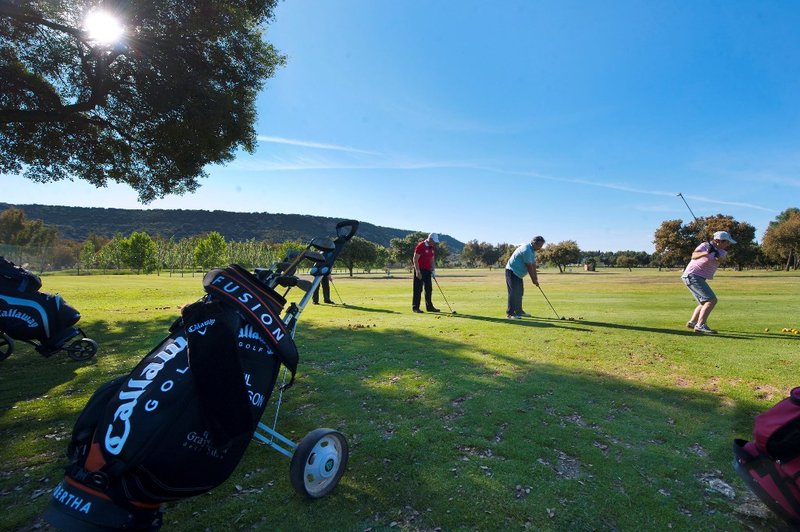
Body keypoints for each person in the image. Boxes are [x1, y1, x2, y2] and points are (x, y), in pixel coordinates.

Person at [681, 230, 736, 334]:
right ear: (719, 241)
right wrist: (706, 252)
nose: (728, 244)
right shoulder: (705, 245)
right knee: (711, 300)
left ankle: (693, 322)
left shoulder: (722, 251)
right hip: (693, 275)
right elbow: (694, 256)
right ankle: (700, 325)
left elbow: (721, 260)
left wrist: (715, 253)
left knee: (704, 302)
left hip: (698, 277)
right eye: (727, 242)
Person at [505, 236, 545, 319]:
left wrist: (536, 278)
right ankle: (510, 313)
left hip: (518, 274)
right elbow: (529, 266)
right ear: (534, 243)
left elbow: (533, 265)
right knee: (513, 292)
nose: (540, 248)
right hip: (512, 271)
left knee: (519, 292)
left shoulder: (532, 250)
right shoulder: (526, 250)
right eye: (539, 246)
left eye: (541, 246)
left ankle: (519, 311)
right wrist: (533, 280)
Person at [412, 233, 440, 313]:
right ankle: (415, 308)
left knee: (428, 289)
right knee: (418, 289)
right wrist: (417, 271)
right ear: (430, 239)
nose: (434, 243)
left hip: (428, 270)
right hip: (419, 269)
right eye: (433, 241)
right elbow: (415, 259)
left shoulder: (432, 247)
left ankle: (429, 307)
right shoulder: (421, 246)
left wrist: (433, 270)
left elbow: (432, 259)